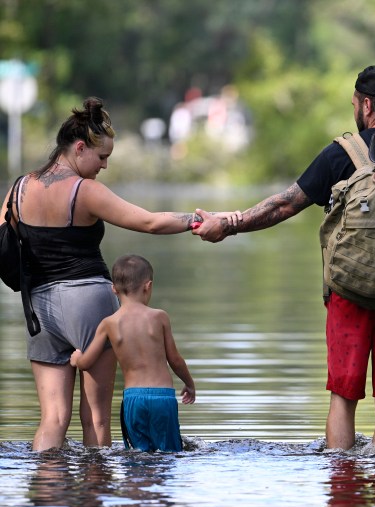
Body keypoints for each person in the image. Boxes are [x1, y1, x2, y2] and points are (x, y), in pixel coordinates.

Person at [193, 64, 375, 451]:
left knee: (343, 396)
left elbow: (283, 206)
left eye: (355, 103)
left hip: (347, 294)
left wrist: (230, 222)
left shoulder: (343, 154)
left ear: (367, 105)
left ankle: (343, 489)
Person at [0, 96, 238, 452]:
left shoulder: (18, 189)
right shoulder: (85, 191)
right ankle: (96, 503)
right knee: (95, 417)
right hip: (88, 304)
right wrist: (200, 219)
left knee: (52, 419)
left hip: (38, 309)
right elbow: (149, 222)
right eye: (102, 157)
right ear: (79, 148)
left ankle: (47, 505)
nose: (105, 166)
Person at [70, 254, 195, 452]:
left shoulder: (109, 323)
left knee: (138, 457)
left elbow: (86, 362)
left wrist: (76, 358)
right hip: (162, 398)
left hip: (133, 399)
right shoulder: (159, 317)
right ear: (148, 286)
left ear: (113, 289)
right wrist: (189, 383)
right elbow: (175, 360)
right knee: (169, 454)